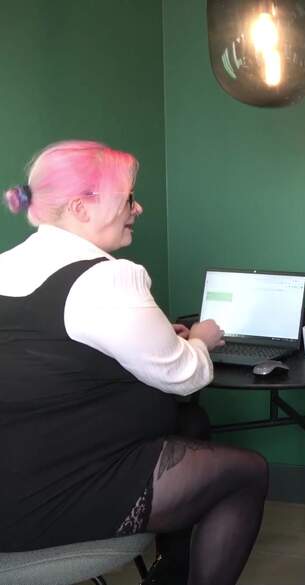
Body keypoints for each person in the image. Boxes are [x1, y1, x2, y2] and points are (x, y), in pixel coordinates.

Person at [0, 140, 268, 585]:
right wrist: (199, 340)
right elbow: (184, 376)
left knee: (193, 423)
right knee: (248, 472)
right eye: (128, 198)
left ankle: (172, 570)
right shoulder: (105, 277)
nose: (137, 208)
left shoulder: (7, 265)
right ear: (81, 207)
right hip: (53, 491)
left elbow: (55, 356)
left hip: (17, 471)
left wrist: (161, 337)